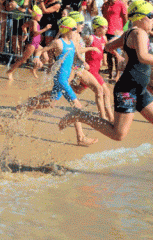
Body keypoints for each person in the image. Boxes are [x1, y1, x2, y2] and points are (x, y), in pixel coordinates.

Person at [60, 0, 153, 179]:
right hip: (127, 89)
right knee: (118, 134)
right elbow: (144, 57)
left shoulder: (132, 32)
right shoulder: (139, 33)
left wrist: (124, 57)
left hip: (139, 88)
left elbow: (108, 47)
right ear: (140, 18)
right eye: (151, 16)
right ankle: (80, 116)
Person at [23, 16, 98, 147]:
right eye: (74, 28)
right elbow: (41, 49)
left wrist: (84, 60)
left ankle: (28, 106)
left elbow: (77, 53)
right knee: (78, 107)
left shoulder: (72, 43)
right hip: (61, 79)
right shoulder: (58, 42)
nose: (76, 30)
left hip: (64, 78)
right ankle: (80, 137)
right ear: (67, 30)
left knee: (51, 104)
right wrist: (36, 57)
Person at [6, 5, 48, 80]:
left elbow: (23, 26)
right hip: (32, 43)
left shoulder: (31, 21)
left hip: (37, 44)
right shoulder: (34, 22)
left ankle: (33, 69)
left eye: (41, 15)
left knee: (46, 58)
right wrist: (45, 29)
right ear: (35, 16)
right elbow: (35, 33)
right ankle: (10, 71)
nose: (41, 17)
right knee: (22, 60)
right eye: (40, 15)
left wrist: (25, 34)